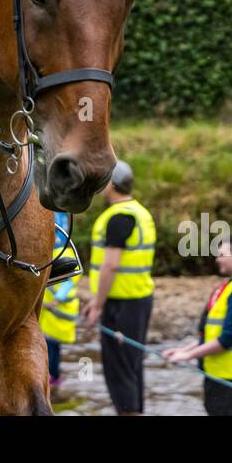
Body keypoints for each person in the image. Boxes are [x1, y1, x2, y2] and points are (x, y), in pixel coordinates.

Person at [163, 237, 232, 416]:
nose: (217, 259)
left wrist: (188, 356)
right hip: (222, 374)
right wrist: (182, 350)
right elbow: (212, 335)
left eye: (222, 254)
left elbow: (227, 339)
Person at [80, 160, 155, 415]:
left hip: (120, 304)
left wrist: (97, 305)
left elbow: (110, 266)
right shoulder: (139, 212)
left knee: (120, 370)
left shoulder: (118, 217)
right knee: (132, 367)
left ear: (111, 185)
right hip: (138, 300)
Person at [39, 209, 79, 389]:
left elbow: (70, 281)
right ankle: (52, 376)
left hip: (58, 310)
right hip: (50, 311)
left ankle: (53, 377)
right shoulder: (56, 250)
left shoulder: (65, 252)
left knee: (52, 345)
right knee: (50, 344)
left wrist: (56, 301)